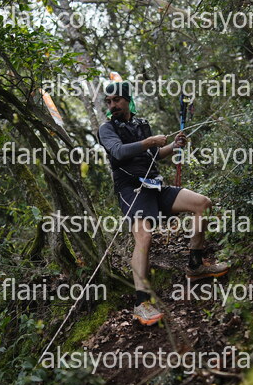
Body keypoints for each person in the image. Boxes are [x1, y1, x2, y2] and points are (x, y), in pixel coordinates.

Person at [98, 82, 229, 326]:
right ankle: (141, 303)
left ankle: (195, 266)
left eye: (116, 100)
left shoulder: (141, 124)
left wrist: (173, 146)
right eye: (109, 101)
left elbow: (153, 156)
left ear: (127, 100)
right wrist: (150, 141)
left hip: (155, 185)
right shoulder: (107, 129)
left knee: (203, 204)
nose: (112, 105)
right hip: (131, 189)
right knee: (144, 237)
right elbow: (119, 152)